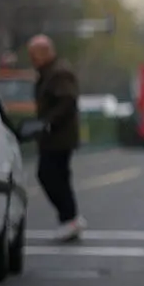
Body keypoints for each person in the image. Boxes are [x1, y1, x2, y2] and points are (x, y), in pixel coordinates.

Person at [27, 34, 85, 242]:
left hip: (59, 137)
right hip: (53, 136)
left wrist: (48, 122)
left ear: (45, 52)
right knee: (57, 176)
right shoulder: (48, 72)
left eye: (34, 55)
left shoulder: (58, 73)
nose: (32, 59)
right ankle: (69, 218)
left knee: (50, 175)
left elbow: (67, 101)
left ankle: (69, 218)